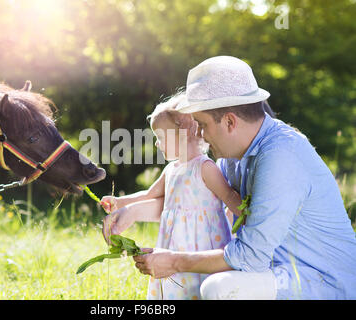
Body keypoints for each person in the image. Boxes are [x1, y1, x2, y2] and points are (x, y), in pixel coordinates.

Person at [132, 56, 356, 300]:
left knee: (219, 287)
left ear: (229, 121)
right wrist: (130, 212)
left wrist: (175, 262)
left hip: (325, 282)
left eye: (203, 124)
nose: (201, 135)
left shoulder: (281, 155)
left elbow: (250, 257)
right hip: (281, 274)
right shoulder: (230, 158)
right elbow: (192, 203)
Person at [101, 93, 242, 300]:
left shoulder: (205, 167)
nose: (157, 144)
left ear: (184, 132)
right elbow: (150, 194)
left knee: (200, 287)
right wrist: (121, 202)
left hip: (203, 246)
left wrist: (248, 214)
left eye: (160, 137)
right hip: (173, 244)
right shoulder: (171, 170)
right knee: (175, 288)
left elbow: (228, 196)